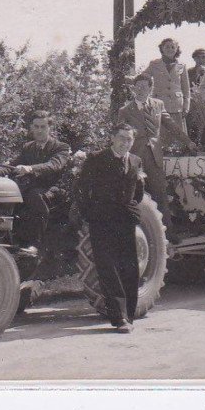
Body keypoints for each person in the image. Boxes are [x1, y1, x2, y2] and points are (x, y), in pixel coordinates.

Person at [76, 123, 144, 332]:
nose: (126, 143)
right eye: (122, 138)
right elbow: (80, 189)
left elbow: (139, 190)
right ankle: (118, 318)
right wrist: (89, 213)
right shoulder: (96, 159)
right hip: (102, 220)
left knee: (129, 267)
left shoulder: (135, 161)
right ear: (112, 138)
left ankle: (129, 315)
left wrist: (133, 209)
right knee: (107, 267)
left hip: (125, 220)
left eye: (129, 139)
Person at [117, 73, 195, 243]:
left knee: (160, 194)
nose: (141, 90)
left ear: (150, 89)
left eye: (144, 87)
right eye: (138, 87)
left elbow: (172, 126)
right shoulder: (125, 110)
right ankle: (133, 236)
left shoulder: (158, 105)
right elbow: (119, 135)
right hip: (134, 159)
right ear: (133, 89)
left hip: (154, 157)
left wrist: (188, 142)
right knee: (132, 195)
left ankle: (168, 234)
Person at [0, 111, 71, 248]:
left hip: (51, 188)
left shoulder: (61, 147)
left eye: (43, 127)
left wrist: (30, 169)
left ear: (50, 128)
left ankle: (35, 243)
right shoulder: (28, 147)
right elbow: (13, 165)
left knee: (34, 196)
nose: (39, 130)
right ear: (31, 127)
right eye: (36, 126)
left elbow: (54, 165)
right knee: (5, 194)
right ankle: (0, 236)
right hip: (29, 187)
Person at [143, 37, 191, 133]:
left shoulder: (181, 65)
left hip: (177, 106)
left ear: (177, 49)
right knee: (161, 134)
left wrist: (186, 107)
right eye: (167, 47)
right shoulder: (154, 64)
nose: (170, 49)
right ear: (162, 49)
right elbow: (143, 77)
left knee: (178, 134)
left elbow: (186, 89)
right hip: (159, 104)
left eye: (173, 47)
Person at [186, 48, 205, 142]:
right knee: (192, 124)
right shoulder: (188, 72)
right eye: (198, 57)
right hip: (193, 103)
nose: (201, 60)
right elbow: (186, 86)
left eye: (203, 57)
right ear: (194, 59)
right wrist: (197, 74)